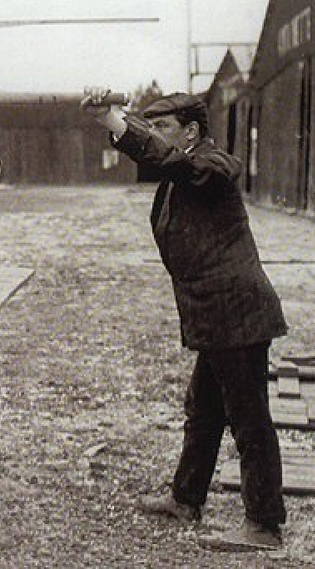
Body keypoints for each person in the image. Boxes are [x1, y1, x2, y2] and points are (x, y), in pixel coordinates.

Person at [81, 88, 287, 552]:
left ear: (192, 132)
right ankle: (186, 498)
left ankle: (265, 525)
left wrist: (114, 123)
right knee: (205, 410)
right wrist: (116, 119)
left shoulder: (213, 167)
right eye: (150, 128)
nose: (155, 137)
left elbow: (176, 164)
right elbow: (167, 164)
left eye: (163, 128)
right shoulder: (183, 173)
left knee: (249, 420)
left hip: (237, 316)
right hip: (216, 319)